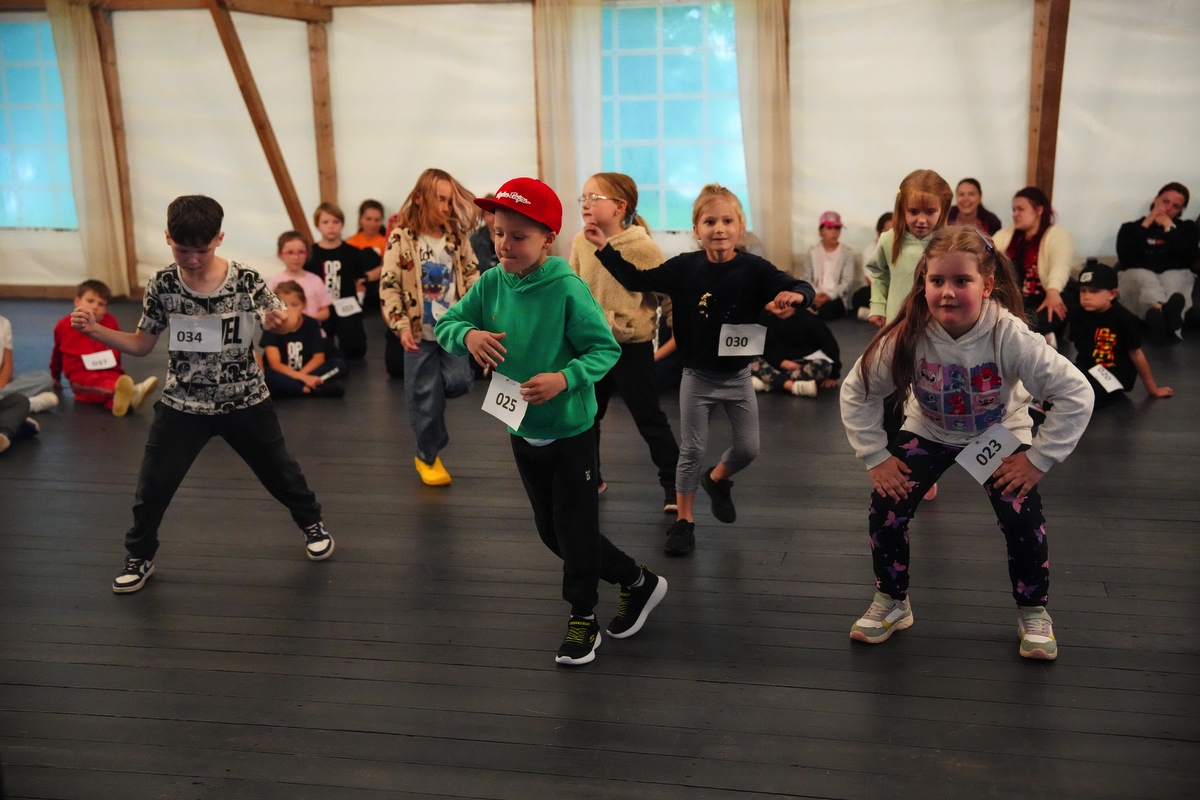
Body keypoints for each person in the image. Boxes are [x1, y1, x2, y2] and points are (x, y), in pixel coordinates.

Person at [436, 177, 667, 666]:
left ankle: (583, 617)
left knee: (575, 530)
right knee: (551, 531)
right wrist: (469, 335)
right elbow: (446, 324)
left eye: (518, 236)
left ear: (547, 239)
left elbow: (604, 350)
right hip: (521, 427)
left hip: (570, 432)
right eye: (498, 233)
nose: (505, 244)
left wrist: (564, 379)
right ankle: (637, 580)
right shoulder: (492, 282)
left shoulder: (566, 288)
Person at [840, 226, 1093, 661]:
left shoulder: (1009, 334)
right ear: (923, 283)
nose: (948, 292)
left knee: (1021, 519)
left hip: (995, 433)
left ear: (987, 285)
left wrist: (1038, 460)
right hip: (930, 429)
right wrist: (875, 456)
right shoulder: (909, 333)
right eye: (937, 280)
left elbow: (1076, 392)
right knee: (886, 508)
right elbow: (857, 390)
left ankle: (1033, 611)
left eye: (962, 281)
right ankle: (893, 601)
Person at [70, 195, 335, 594]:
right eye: (182, 250)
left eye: (202, 250)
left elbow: (285, 316)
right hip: (183, 403)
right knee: (153, 485)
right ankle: (140, 555)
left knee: (280, 470)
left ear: (219, 239)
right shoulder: (162, 284)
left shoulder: (245, 279)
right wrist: (95, 330)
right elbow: (142, 344)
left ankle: (312, 523)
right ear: (167, 238)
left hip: (245, 399)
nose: (192, 260)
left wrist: (282, 321)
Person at [586, 184, 813, 556]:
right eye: (710, 222)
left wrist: (799, 295)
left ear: (740, 227)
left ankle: (718, 479)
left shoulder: (754, 269)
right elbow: (636, 279)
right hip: (696, 378)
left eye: (727, 221)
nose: (719, 228)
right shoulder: (683, 268)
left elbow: (797, 283)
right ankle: (684, 521)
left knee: (748, 449)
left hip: (738, 378)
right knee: (692, 450)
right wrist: (603, 248)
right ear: (696, 230)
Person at [569, 172, 680, 509]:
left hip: (631, 348)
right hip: (591, 347)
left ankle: (674, 485)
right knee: (587, 418)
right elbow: (572, 289)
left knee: (649, 419)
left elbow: (667, 295)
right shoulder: (580, 242)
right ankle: (591, 478)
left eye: (594, 198)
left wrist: (679, 333)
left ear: (620, 206)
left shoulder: (642, 247)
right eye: (584, 197)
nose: (586, 204)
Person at [380, 168, 480, 485]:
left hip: (453, 329)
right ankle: (427, 456)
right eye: (440, 200)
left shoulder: (456, 237)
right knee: (424, 400)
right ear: (420, 198)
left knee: (460, 381)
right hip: (417, 334)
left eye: (450, 201)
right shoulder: (401, 237)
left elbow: (472, 274)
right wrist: (400, 325)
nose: (447, 207)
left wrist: (477, 314)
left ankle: (432, 411)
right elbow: (389, 285)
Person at [865, 170, 953, 500]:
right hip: (897, 332)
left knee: (929, 404)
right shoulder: (890, 240)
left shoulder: (948, 244)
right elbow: (878, 273)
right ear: (901, 208)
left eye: (930, 212)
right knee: (892, 401)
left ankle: (924, 470)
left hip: (936, 336)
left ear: (943, 210)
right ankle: (894, 464)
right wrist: (878, 305)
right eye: (914, 211)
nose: (921, 219)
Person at [50, 280, 158, 415]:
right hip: (81, 374)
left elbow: (118, 345)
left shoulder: (111, 321)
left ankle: (120, 402)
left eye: (101, 304)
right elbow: (57, 353)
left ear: (106, 308)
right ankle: (133, 392)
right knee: (102, 384)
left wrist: (118, 370)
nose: (95, 307)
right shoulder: (64, 325)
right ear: (77, 301)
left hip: (109, 370)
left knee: (116, 381)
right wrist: (55, 376)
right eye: (90, 301)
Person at [1068, 263, 1172, 403]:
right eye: (1083, 291)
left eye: (1094, 291)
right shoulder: (1077, 315)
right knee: (1057, 379)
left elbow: (1136, 354)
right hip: (1086, 369)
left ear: (1112, 294)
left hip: (1113, 375)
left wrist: (1153, 390)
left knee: (1084, 395)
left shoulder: (1124, 318)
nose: (1086, 296)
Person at [1115, 182, 1199, 341]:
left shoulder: (1187, 228)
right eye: (1165, 201)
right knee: (1143, 277)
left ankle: (1159, 322)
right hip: (1138, 273)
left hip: (1175, 273)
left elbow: (1187, 258)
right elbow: (1126, 258)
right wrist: (1147, 223)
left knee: (1173, 278)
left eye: (1176, 206)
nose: (1168, 208)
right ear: (1155, 199)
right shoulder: (1130, 228)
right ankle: (1167, 323)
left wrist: (1169, 227)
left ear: (1180, 211)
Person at [992, 187, 1074, 347]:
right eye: (1014, 210)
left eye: (1020, 209)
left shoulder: (1057, 235)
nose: (1015, 214)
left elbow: (1060, 266)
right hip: (1014, 300)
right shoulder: (1007, 234)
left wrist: (1053, 291)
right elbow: (986, 254)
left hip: (1043, 299)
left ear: (1039, 210)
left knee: (1056, 306)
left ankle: (1035, 336)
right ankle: (1039, 337)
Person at [260, 281, 348, 399]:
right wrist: (304, 378)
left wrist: (303, 376)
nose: (289, 309)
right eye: (283, 305)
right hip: (283, 373)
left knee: (339, 364)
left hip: (308, 371)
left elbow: (318, 358)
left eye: (295, 304)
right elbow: (275, 364)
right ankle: (311, 390)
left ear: (304, 305)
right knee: (267, 374)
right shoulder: (273, 326)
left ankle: (293, 388)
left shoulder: (311, 324)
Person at [305, 202, 368, 359]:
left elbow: (359, 279)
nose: (331, 226)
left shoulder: (353, 253)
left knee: (355, 351)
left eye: (335, 222)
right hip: (321, 307)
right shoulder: (311, 254)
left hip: (347, 305)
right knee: (320, 351)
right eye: (325, 222)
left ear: (342, 224)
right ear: (317, 226)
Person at [750, 303, 841, 397]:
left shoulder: (810, 320)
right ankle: (792, 386)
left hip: (800, 367)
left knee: (823, 365)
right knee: (749, 358)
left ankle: (769, 383)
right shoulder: (762, 319)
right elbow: (764, 349)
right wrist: (782, 363)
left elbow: (831, 347)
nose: (776, 304)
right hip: (774, 364)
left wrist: (833, 375)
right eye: (771, 300)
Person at [802, 211, 856, 319]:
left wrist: (829, 296)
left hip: (836, 298)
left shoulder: (847, 253)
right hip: (815, 294)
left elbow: (847, 282)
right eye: (830, 228)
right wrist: (815, 294)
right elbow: (806, 278)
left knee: (828, 309)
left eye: (837, 228)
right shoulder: (812, 252)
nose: (834, 232)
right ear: (821, 230)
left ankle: (813, 313)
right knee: (799, 302)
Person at [267, 232, 331, 322]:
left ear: (307, 254)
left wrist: (303, 319)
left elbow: (325, 312)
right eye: (290, 253)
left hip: (311, 329)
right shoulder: (274, 282)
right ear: (280, 254)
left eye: (301, 252)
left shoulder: (315, 280)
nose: (296, 257)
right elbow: (268, 312)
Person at [0, 313, 58, 414]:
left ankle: (9, 401)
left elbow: (7, 364)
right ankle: (29, 404)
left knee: (45, 379)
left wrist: (1, 388)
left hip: (2, 386)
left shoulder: (4, 323)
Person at [345, 199, 386, 309]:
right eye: (368, 219)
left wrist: (364, 278)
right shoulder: (350, 242)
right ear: (360, 219)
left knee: (369, 254)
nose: (373, 224)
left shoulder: (387, 242)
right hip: (354, 286)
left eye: (377, 220)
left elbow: (388, 267)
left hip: (377, 287)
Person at [852, 212, 893, 321]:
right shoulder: (870, 250)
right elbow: (871, 281)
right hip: (880, 290)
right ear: (878, 233)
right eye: (888, 231)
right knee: (859, 296)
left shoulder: (903, 247)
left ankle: (876, 314)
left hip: (899, 290)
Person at [469, 194, 500, 273]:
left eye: (495, 212)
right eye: (489, 214)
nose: (493, 217)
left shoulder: (512, 236)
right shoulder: (475, 240)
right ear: (483, 217)